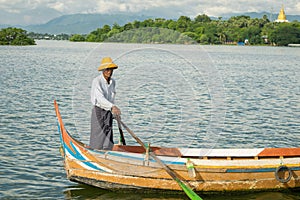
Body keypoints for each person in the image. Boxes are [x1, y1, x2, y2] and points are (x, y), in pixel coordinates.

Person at [90, 57, 121, 150]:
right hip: (98, 111)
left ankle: (107, 153)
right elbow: (100, 98)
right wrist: (112, 106)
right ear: (103, 70)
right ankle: (96, 152)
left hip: (108, 112)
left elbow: (111, 97)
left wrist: (114, 112)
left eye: (111, 69)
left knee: (108, 134)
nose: (109, 72)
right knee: (98, 135)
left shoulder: (113, 82)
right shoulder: (97, 81)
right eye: (107, 69)